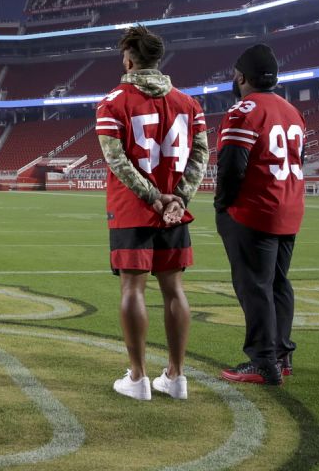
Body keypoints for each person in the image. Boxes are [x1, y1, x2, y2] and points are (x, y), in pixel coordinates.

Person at [95, 25, 208, 402]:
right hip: (174, 212)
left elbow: (117, 160)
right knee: (174, 289)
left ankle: (138, 377)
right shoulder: (189, 103)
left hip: (133, 210)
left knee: (132, 288)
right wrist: (178, 198)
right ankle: (176, 377)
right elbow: (200, 156)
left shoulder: (113, 102)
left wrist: (153, 197)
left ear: (128, 59)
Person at [215, 44, 305, 386]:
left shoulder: (243, 111)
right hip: (289, 206)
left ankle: (262, 361)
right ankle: (282, 355)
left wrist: (223, 205)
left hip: (255, 210)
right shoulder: (292, 111)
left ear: (241, 76)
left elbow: (232, 165)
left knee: (254, 285)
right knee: (279, 282)